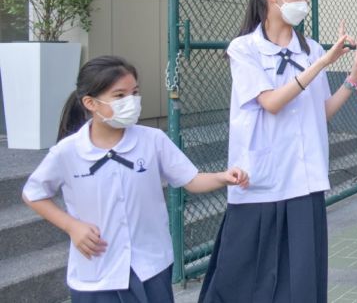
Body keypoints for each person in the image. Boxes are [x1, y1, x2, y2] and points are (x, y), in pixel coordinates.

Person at [199, 0, 357, 303]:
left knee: (301, 279)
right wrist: (320, 64)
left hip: (304, 180)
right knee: (245, 277)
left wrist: (352, 77)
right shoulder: (244, 48)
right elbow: (272, 103)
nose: (304, 3)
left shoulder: (311, 49)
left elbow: (320, 111)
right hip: (258, 179)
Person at [22, 56, 249, 303]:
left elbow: (191, 179)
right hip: (96, 274)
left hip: (150, 268)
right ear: (91, 103)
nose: (130, 101)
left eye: (135, 93)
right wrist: (72, 226)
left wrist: (223, 177)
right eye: (119, 96)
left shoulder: (153, 140)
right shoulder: (67, 152)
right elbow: (33, 194)